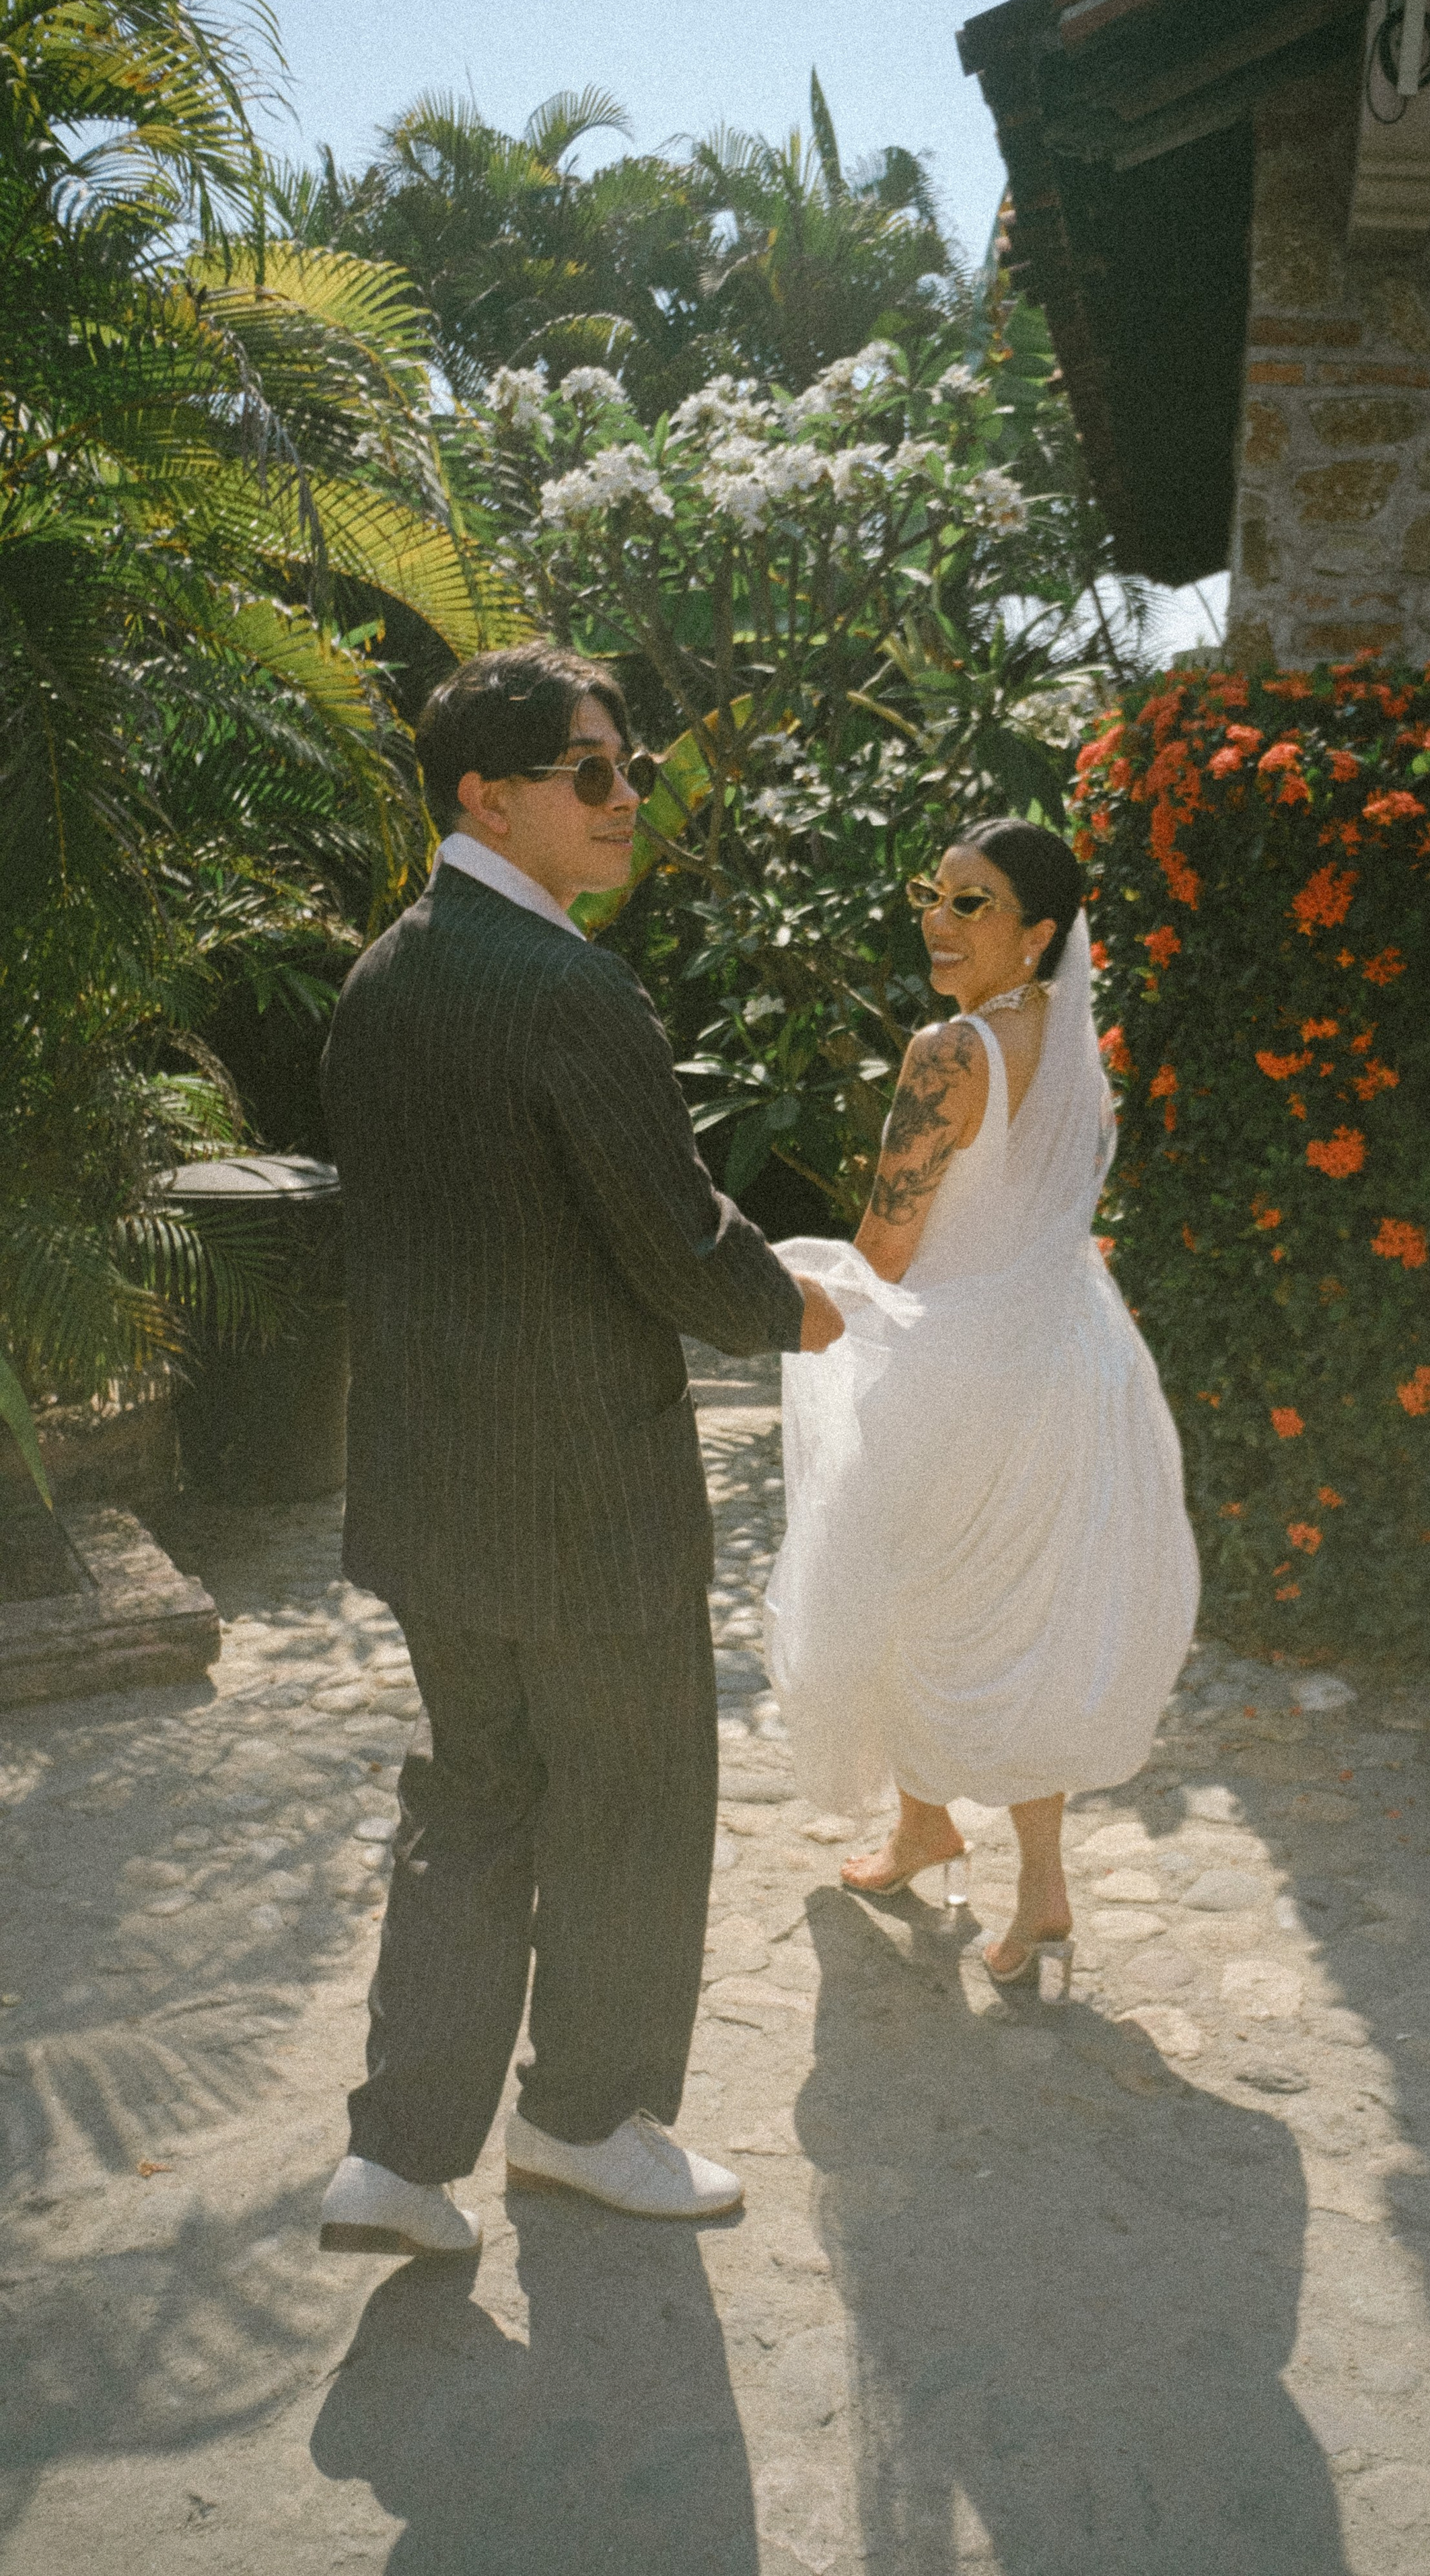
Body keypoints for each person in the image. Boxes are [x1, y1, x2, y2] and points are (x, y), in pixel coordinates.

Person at [316, 643, 844, 2258]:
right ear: (490, 795)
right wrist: (806, 1308)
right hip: (586, 1509)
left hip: (429, 1492)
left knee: (471, 1801)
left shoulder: (383, 975)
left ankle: (398, 2164)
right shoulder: (569, 988)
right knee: (626, 1810)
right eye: (594, 773)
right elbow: (676, 1248)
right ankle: (583, 2124)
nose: (629, 802)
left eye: (626, 767)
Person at [764, 820, 1199, 1990]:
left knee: (908, 1592)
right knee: (1018, 1614)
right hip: (1064, 1359)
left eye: (976, 904)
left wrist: (798, 1285)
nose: (941, 922)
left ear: (1039, 932)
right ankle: (995, 1865)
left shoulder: (948, 1054)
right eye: (937, 893)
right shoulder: (1070, 1039)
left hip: (955, 1359)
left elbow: (889, 1249)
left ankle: (953, 1840)